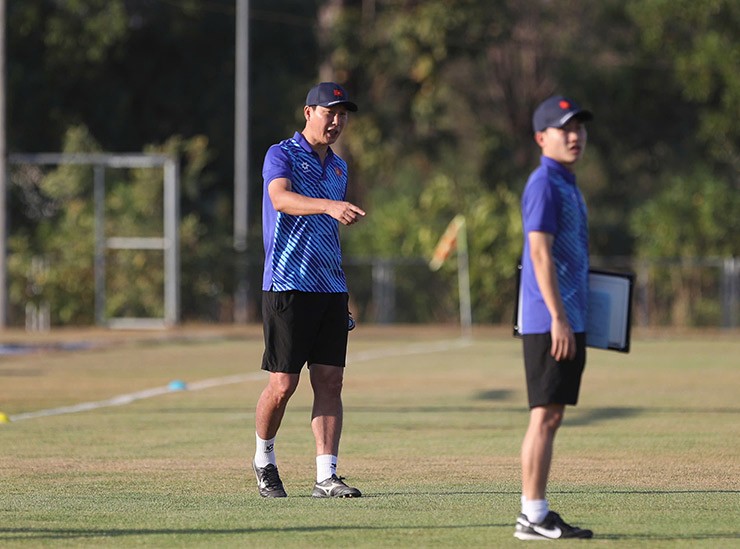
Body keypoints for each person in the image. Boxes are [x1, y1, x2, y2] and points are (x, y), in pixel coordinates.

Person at [252, 82, 365, 499]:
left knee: (330, 381)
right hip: (287, 284)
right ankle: (264, 460)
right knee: (283, 385)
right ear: (308, 112)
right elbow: (280, 199)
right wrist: (329, 205)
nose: (336, 121)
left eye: (343, 114)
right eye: (329, 112)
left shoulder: (339, 167)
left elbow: (328, 237)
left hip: (330, 289)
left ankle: (326, 476)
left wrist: (343, 291)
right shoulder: (280, 153)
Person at [514, 95, 594, 540]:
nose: (575, 135)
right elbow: (539, 254)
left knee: (552, 415)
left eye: (579, 127)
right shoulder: (544, 182)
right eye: (565, 128)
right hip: (549, 321)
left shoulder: (567, 183)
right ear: (542, 137)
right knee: (543, 416)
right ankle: (532, 515)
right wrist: (560, 318)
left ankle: (536, 512)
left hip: (566, 318)